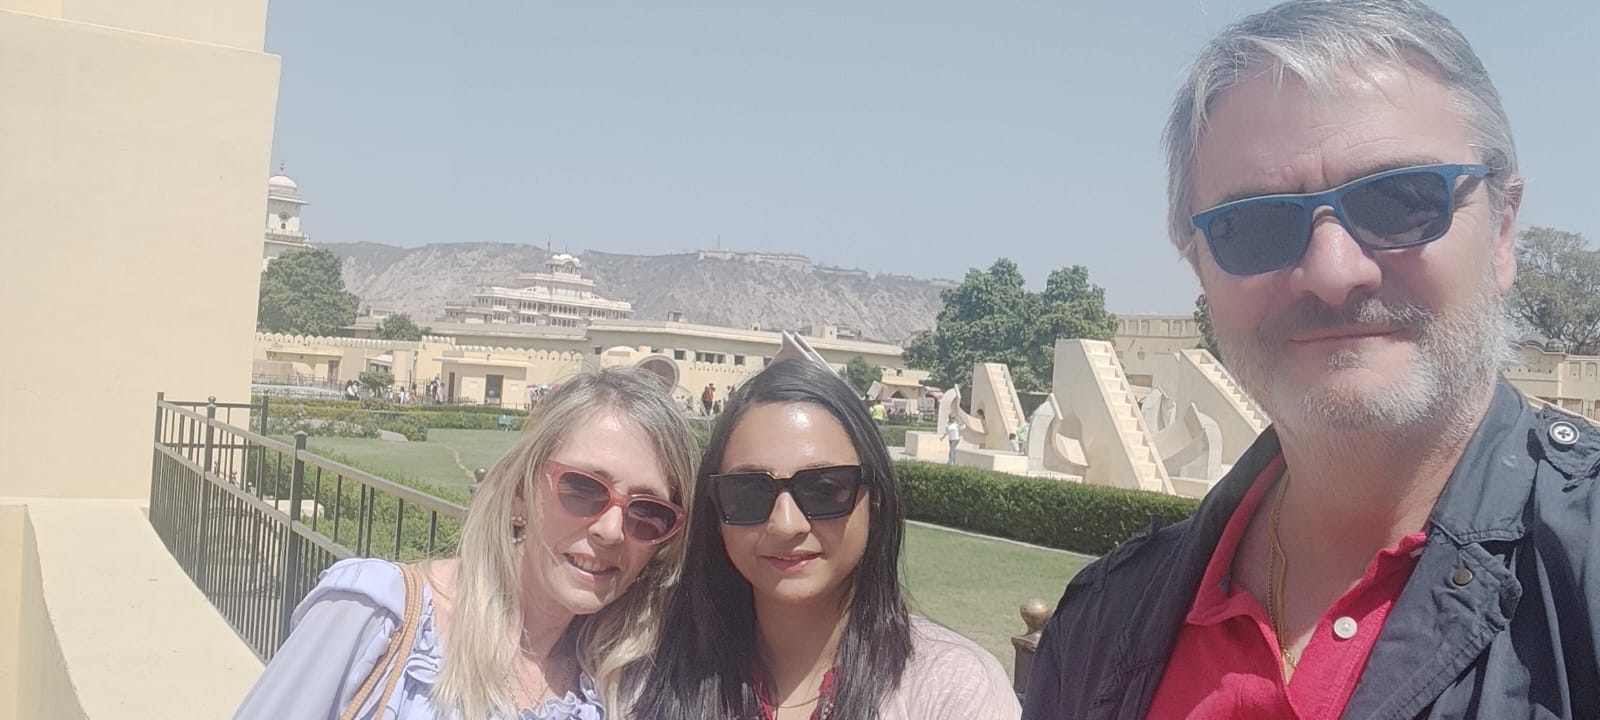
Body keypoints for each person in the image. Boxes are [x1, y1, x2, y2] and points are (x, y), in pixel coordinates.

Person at [1022, 2, 1599, 718]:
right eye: (1255, 224)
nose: (1332, 272)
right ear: (1200, 268)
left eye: (1400, 201)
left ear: (1503, 231)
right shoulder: (1103, 623)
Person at [234, 367, 700, 719]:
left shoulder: (616, 689)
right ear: (519, 490)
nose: (611, 529)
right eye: (583, 489)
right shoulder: (377, 618)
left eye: (648, 513)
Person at [627, 359, 1019, 720]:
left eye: (824, 490)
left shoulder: (952, 690)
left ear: (875, 501)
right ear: (716, 514)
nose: (786, 524)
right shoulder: (650, 680)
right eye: (748, 493)